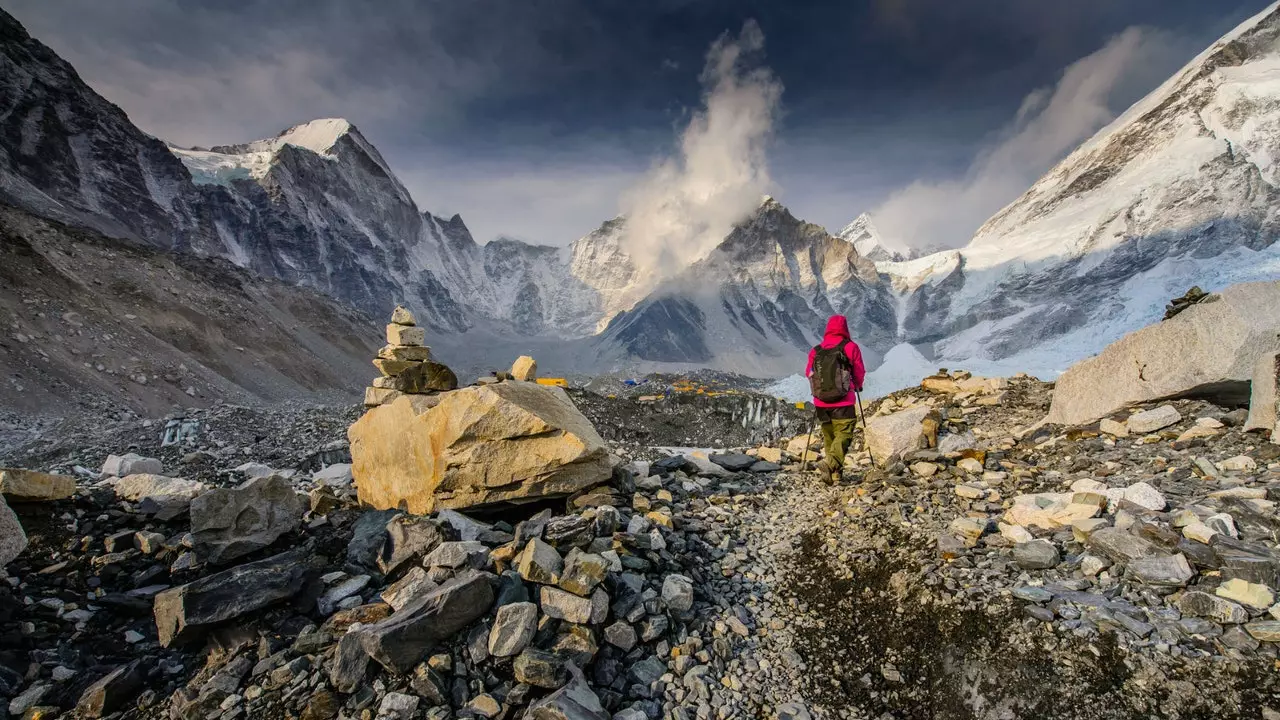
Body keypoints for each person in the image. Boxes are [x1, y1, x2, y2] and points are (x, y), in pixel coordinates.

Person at [804, 314, 866, 485]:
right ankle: (830, 464)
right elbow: (859, 371)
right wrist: (858, 385)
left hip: (821, 403)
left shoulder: (816, 350)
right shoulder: (850, 347)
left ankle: (835, 475)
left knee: (830, 436)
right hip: (843, 400)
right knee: (844, 434)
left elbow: (808, 373)